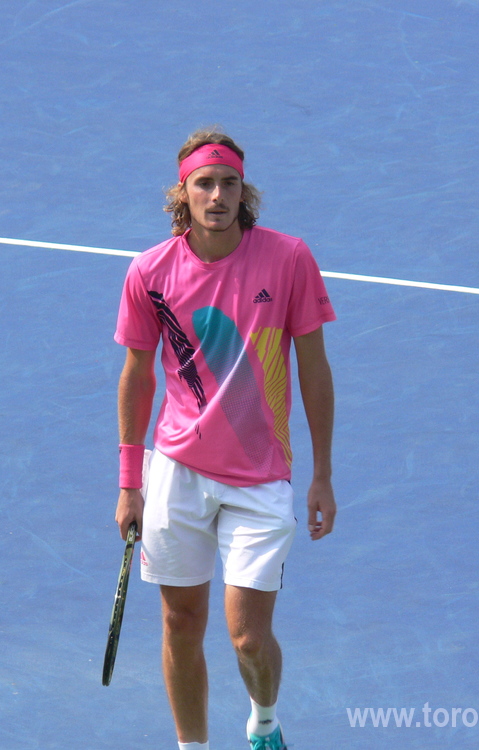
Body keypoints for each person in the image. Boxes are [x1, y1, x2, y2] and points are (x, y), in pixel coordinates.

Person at [113, 126, 336, 750]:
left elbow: (314, 369)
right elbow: (136, 380)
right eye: (204, 184)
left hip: (261, 476)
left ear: (245, 191)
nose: (218, 195)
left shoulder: (288, 258)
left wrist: (321, 473)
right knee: (181, 622)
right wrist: (130, 483)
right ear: (182, 194)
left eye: (229, 183)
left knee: (248, 637)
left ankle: (264, 720)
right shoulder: (149, 273)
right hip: (178, 472)